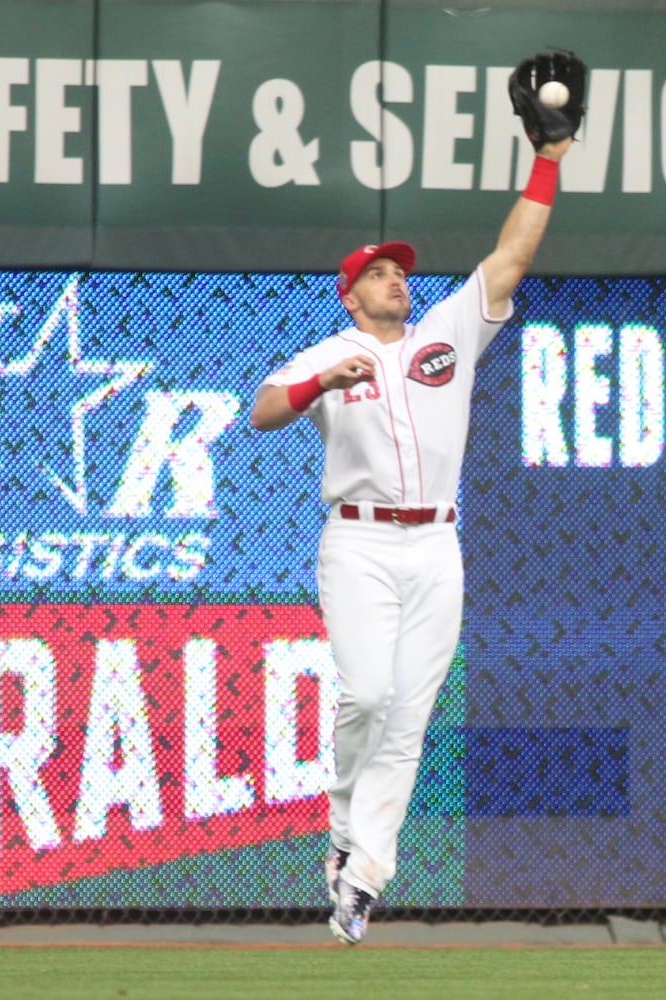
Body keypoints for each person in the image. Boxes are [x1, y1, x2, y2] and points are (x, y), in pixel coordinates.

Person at [247, 52, 585, 946]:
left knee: (410, 715)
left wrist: (549, 157)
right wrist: (324, 384)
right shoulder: (325, 353)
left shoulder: (446, 331)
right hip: (356, 544)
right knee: (364, 696)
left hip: (437, 546)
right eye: (380, 272)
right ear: (350, 294)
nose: (398, 277)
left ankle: (363, 878)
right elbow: (261, 413)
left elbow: (512, 255)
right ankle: (342, 831)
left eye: (400, 269)